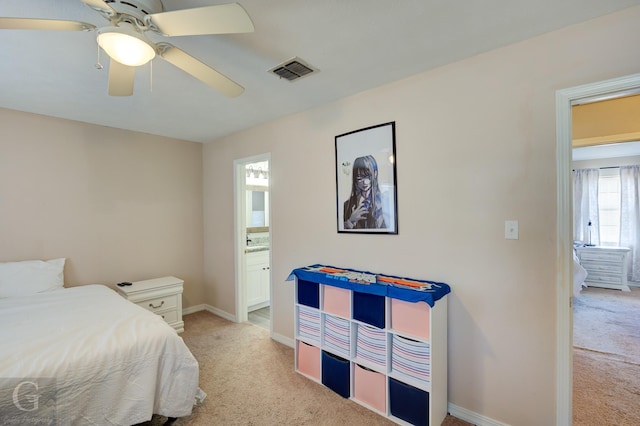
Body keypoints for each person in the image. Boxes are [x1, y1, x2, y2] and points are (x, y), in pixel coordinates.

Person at [343, 155, 387, 229]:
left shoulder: (384, 201)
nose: (365, 182)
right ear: (355, 180)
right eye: (359, 178)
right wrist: (351, 221)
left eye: (368, 176)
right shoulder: (347, 205)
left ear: (375, 174)